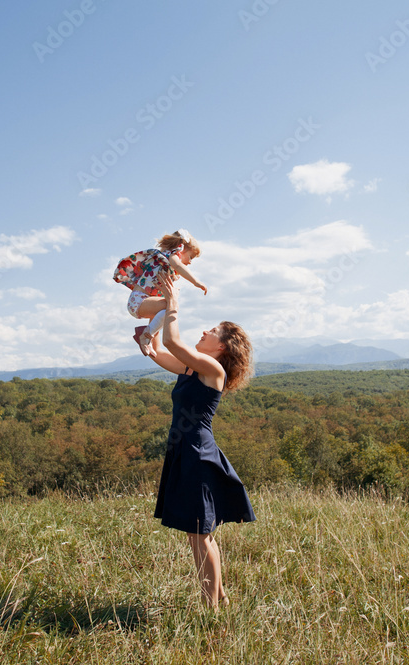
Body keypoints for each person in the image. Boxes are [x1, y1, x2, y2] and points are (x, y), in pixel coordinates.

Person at [144, 271, 255, 609]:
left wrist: (174, 305)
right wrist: (153, 325)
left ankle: (210, 610)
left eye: (212, 331)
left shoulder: (212, 370)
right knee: (200, 534)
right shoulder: (192, 368)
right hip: (185, 451)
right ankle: (219, 598)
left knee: (198, 535)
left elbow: (175, 344)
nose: (205, 331)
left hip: (197, 454)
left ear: (220, 347)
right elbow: (161, 351)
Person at [113, 229, 208, 357]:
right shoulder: (173, 256)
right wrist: (196, 282)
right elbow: (179, 266)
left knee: (167, 307)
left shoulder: (164, 262)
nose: (190, 262)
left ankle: (148, 339)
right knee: (170, 306)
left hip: (141, 301)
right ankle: (145, 335)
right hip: (139, 301)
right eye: (190, 257)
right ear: (182, 249)